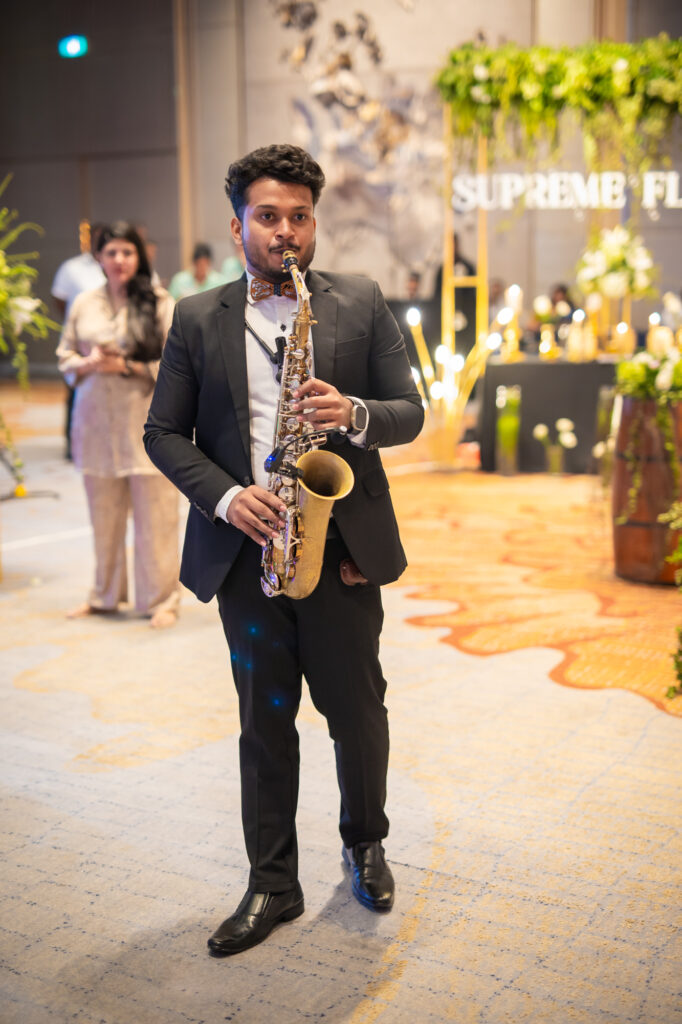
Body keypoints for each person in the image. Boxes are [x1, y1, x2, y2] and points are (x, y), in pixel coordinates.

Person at [143, 144, 424, 956]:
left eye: (300, 216)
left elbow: (410, 410)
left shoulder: (359, 300)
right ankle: (273, 881)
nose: (287, 232)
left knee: (357, 712)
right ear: (238, 227)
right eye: (268, 216)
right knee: (264, 723)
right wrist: (229, 498)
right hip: (249, 553)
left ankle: (365, 842)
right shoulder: (197, 317)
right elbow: (163, 433)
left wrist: (355, 413)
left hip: (340, 551)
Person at [57, 221, 181, 629]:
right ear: (98, 257)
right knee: (104, 517)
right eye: (111, 252)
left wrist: (126, 365)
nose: (119, 260)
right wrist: (88, 363)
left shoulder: (160, 302)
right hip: (94, 425)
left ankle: (161, 599)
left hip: (146, 427)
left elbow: (177, 367)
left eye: (127, 252)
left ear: (139, 256)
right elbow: (65, 357)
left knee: (156, 518)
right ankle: (105, 595)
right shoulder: (84, 303)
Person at [51, 222, 106, 459]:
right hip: (81, 339)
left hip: (109, 345)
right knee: (75, 393)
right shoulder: (71, 268)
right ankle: (72, 443)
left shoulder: (114, 264)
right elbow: (59, 299)